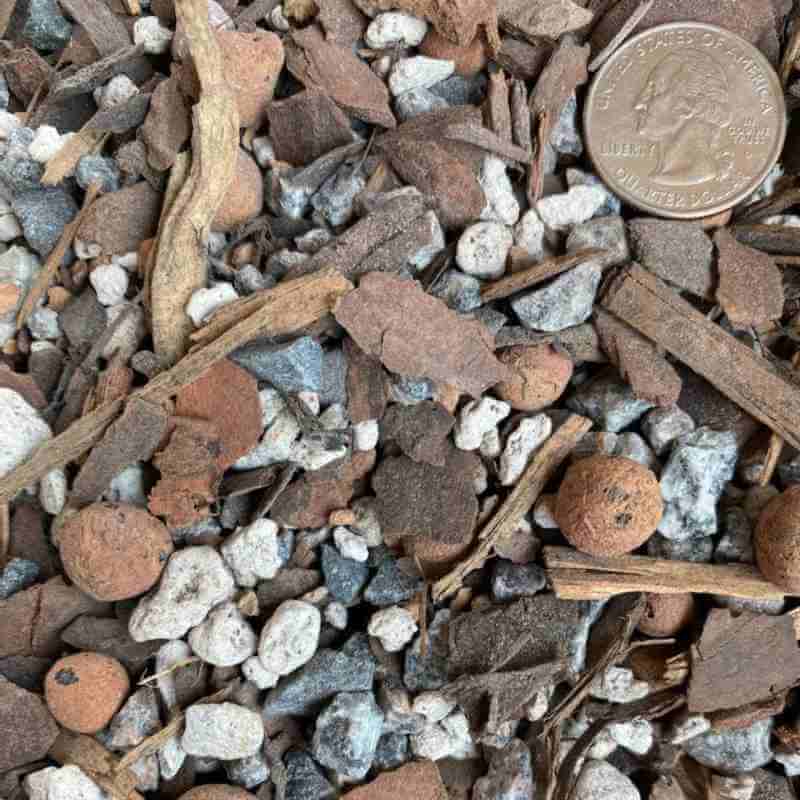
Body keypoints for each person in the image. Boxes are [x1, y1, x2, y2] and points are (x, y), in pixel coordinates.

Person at [633, 49, 734, 186]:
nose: (639, 104)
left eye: (654, 90)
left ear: (685, 106)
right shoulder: (663, 173)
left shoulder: (697, 172)